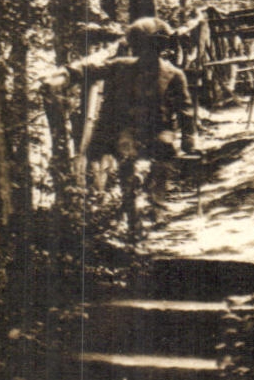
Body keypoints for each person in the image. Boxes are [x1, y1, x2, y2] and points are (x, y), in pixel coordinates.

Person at [44, 16, 197, 234]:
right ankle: (131, 212)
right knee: (126, 153)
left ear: (161, 48)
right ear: (136, 47)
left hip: (159, 128)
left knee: (163, 154)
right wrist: (68, 73)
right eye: (143, 48)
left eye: (154, 47)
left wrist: (189, 138)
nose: (148, 53)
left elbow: (185, 108)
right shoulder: (122, 66)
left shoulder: (174, 74)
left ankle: (158, 205)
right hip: (129, 129)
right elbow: (94, 69)